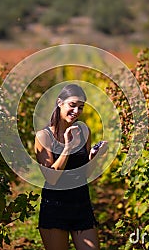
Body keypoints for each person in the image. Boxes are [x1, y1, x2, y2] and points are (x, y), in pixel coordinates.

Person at [35, 84, 107, 250]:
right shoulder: (44, 136)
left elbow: (86, 173)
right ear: (60, 103)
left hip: (81, 203)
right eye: (72, 105)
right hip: (55, 205)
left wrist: (95, 157)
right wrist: (68, 147)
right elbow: (51, 177)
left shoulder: (83, 131)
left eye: (80, 107)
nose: (76, 111)